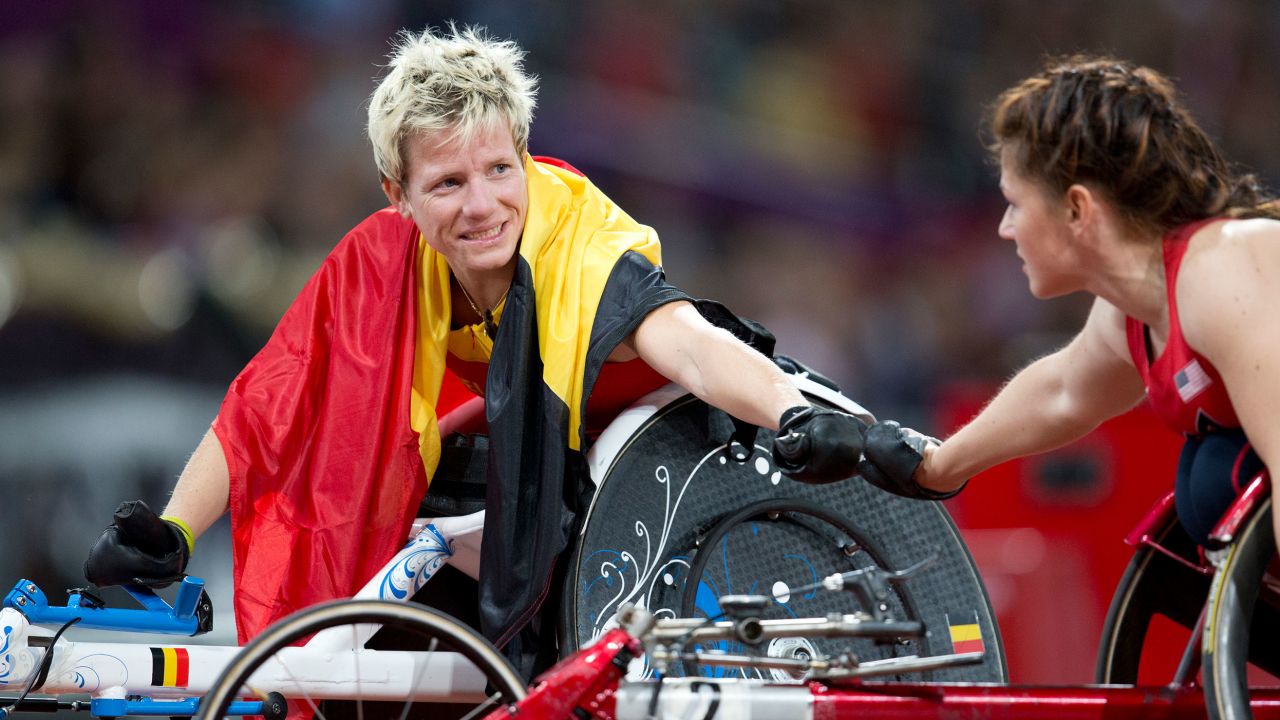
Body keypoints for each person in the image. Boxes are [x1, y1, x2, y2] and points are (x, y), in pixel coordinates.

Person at [80, 25, 865, 675]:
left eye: (499, 169)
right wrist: (174, 531)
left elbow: (692, 345)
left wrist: (793, 412)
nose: (484, 205)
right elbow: (263, 410)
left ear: (525, 156)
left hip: (607, 504)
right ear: (399, 194)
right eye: (449, 183)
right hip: (466, 518)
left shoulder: (579, 237)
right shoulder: (373, 263)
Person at [857, 55, 1280, 553]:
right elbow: (1063, 392)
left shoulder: (1224, 269)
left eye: (1015, 203)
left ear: (1077, 208)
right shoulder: (1135, 309)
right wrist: (932, 468)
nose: (1005, 228)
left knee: (1220, 472)